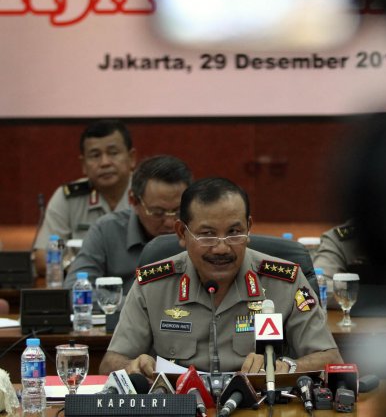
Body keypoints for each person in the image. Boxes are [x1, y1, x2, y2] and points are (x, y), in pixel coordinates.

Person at [99, 177, 341, 378]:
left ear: (249, 228)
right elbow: (110, 363)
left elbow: (331, 359)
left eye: (234, 232)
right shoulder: (153, 284)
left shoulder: (284, 281)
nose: (222, 248)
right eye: (207, 235)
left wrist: (287, 367)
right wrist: (133, 366)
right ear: (182, 233)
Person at [63, 155, 192, 294]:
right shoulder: (107, 230)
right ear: (133, 201)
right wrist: (132, 304)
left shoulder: (199, 233)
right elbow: (75, 289)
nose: (170, 222)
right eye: (157, 212)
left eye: (178, 211)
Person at [33, 120, 137, 276]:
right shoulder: (68, 199)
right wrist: (81, 268)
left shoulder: (147, 195)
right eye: (95, 155)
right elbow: (44, 257)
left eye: (113, 153)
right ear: (83, 164)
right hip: (84, 284)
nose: (105, 162)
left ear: (131, 158)